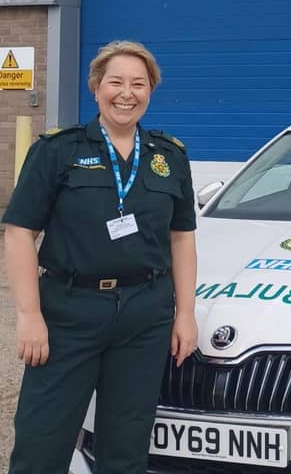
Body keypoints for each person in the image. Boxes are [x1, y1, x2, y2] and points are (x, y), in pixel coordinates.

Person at [3, 40, 198, 473]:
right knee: (43, 440)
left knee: (126, 443)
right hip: (70, 310)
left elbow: (182, 238)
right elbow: (18, 233)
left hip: (145, 314)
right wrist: (29, 314)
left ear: (151, 91)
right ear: (95, 87)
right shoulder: (58, 151)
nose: (126, 93)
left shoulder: (169, 157)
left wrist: (185, 311)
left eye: (139, 84)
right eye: (116, 82)